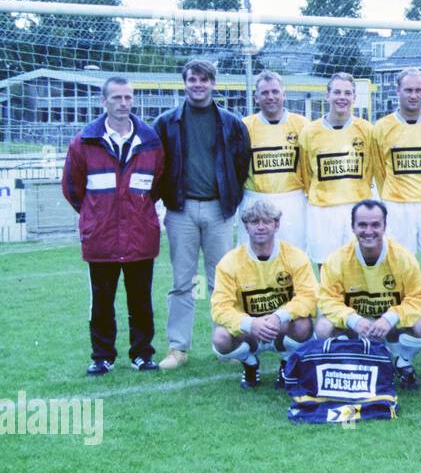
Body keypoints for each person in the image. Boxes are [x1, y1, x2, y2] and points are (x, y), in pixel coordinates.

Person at [62, 76, 166, 375]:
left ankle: (142, 354)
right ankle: (102, 356)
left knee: (141, 300)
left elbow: (156, 185)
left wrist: (137, 212)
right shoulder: (84, 142)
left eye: (128, 98)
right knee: (102, 302)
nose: (123, 104)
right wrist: (96, 215)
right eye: (117, 98)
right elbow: (72, 188)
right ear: (103, 101)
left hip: (139, 237)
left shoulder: (151, 142)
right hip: (102, 239)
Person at [153, 59, 252, 371]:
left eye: (204, 80)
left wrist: (229, 201)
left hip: (217, 209)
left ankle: (224, 343)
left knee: (220, 281)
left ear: (213, 83)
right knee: (182, 282)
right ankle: (178, 349)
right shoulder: (167, 122)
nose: (198, 85)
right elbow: (158, 165)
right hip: (180, 210)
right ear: (184, 82)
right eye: (193, 79)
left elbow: (240, 164)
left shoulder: (230, 122)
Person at [316, 200, 421, 389]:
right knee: (323, 326)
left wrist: (391, 317)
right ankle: (350, 364)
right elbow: (327, 299)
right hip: (356, 324)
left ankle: (403, 363)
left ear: (385, 226)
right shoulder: (337, 260)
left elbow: (419, 297)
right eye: (362, 225)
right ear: (352, 227)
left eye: (375, 224)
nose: (369, 231)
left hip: (387, 323)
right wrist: (352, 320)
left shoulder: (403, 257)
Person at [210, 199, 317, 389]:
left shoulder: (295, 256)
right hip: (250, 331)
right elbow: (220, 308)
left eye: (266, 221)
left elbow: (308, 297)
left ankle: (288, 362)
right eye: (254, 222)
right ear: (246, 226)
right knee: (220, 338)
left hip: (281, 327)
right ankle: (250, 363)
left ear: (276, 225)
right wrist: (251, 323)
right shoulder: (229, 262)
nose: (260, 227)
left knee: (303, 325)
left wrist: (279, 316)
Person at [372, 68, 421, 258]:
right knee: (398, 263)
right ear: (398, 90)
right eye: (408, 90)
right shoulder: (382, 127)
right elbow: (379, 169)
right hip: (397, 205)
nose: (414, 95)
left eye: (418, 90)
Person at [299, 72, 375, 264]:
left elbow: (372, 169)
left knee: (358, 267)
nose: (342, 97)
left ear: (354, 98)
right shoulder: (309, 131)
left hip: (356, 207)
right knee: (325, 266)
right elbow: (306, 172)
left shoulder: (367, 130)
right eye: (337, 92)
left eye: (347, 93)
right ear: (327, 95)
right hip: (322, 210)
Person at [239, 71, 309, 252]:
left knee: (292, 256)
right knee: (252, 259)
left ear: (284, 95)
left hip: (292, 200)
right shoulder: (244, 126)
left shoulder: (302, 125)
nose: (271, 97)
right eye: (264, 93)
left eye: (275, 92)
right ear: (256, 97)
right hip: (255, 199)